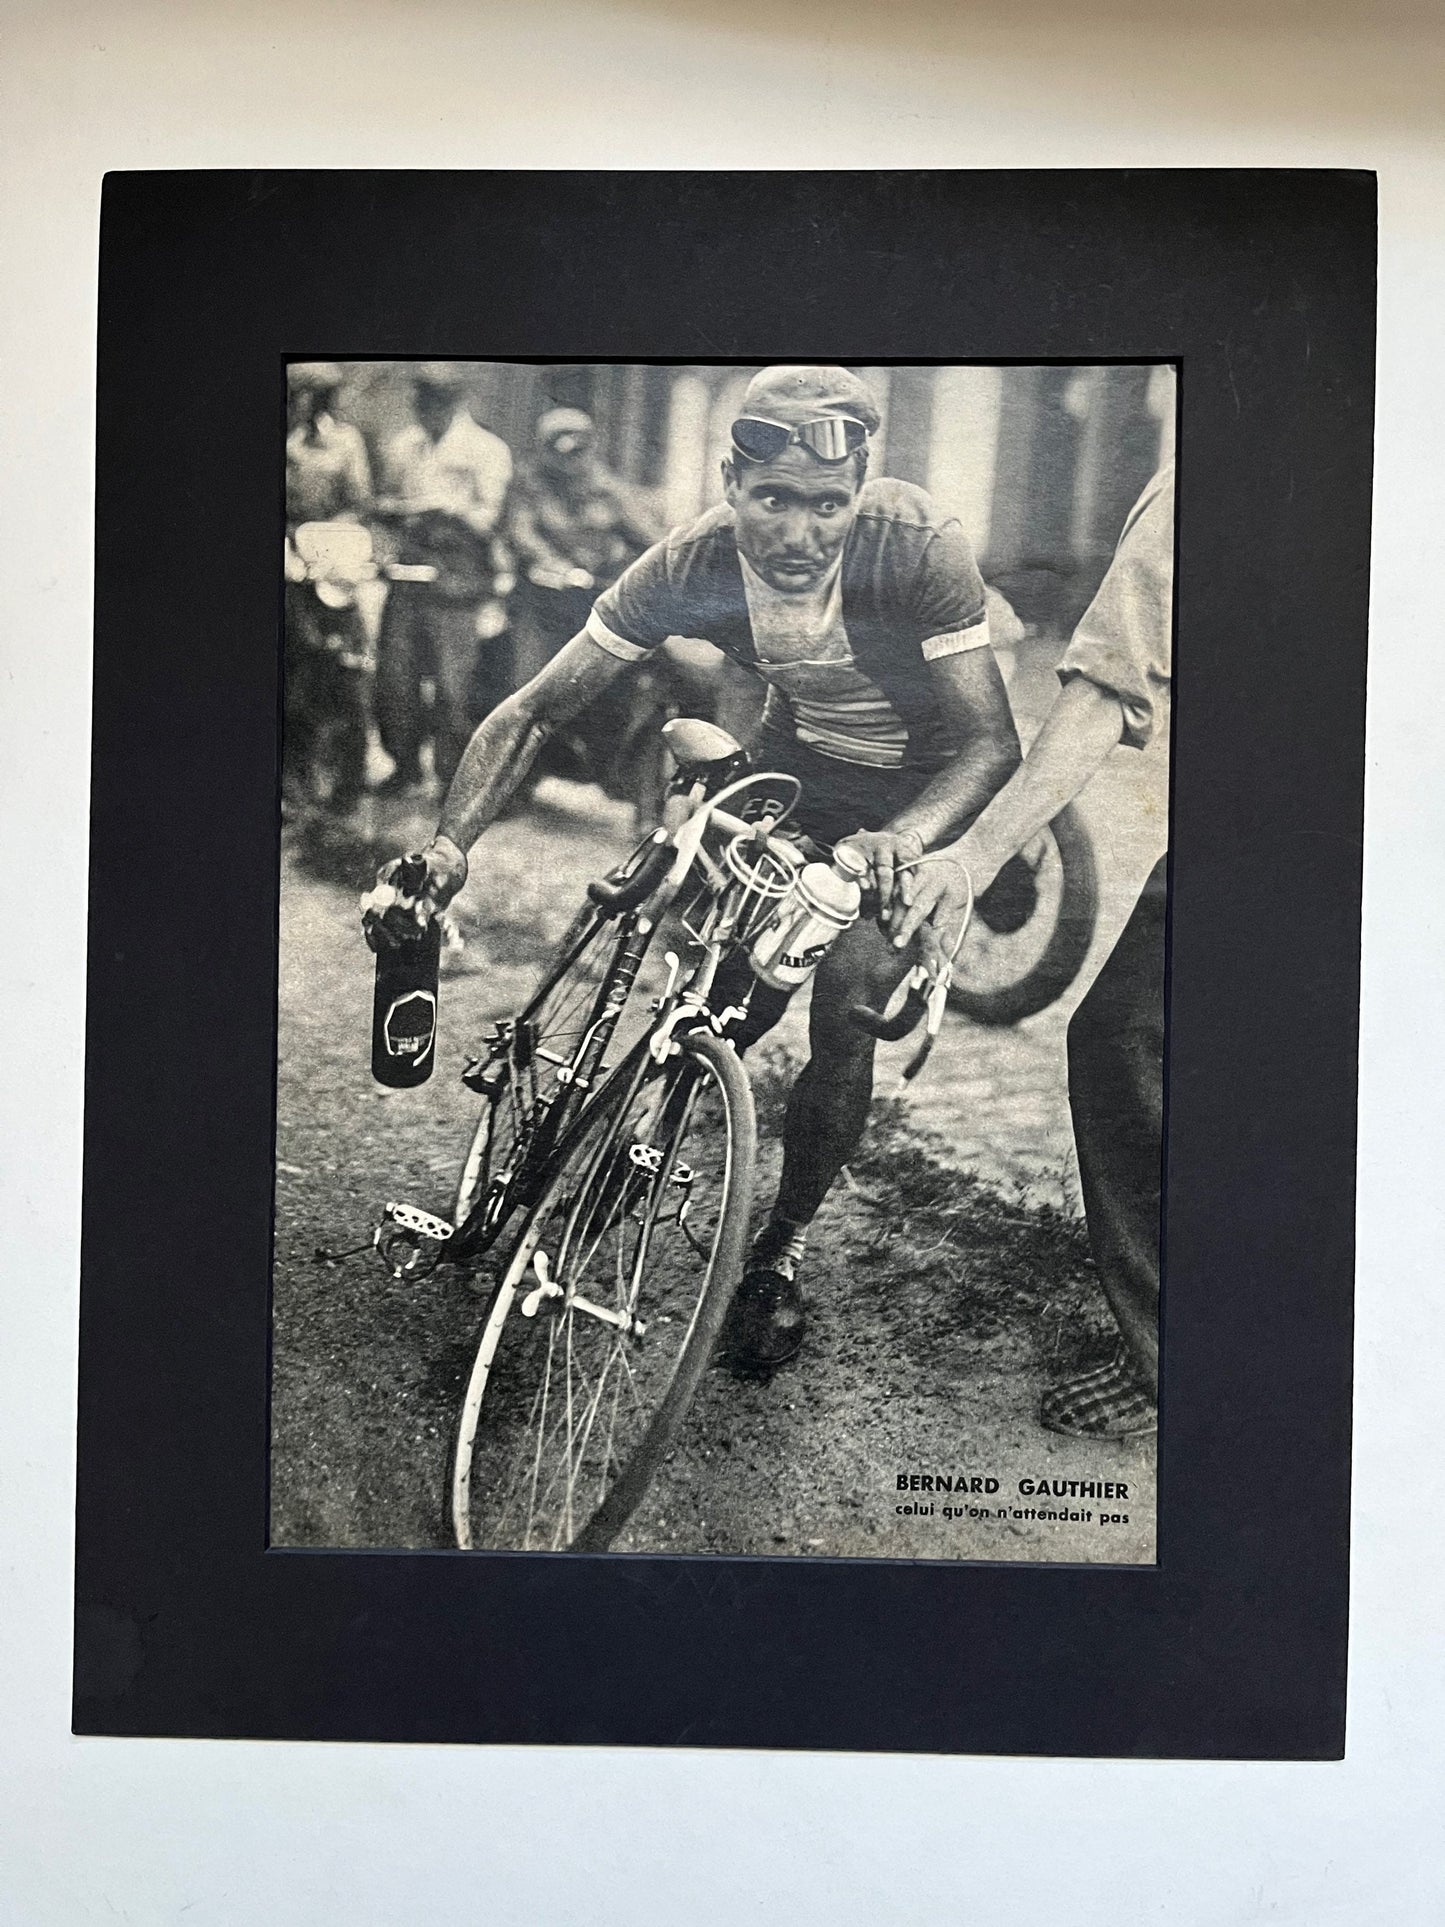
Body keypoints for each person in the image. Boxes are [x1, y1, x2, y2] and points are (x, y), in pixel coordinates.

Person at [364, 365, 1021, 1371]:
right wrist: (453, 843)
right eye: (770, 501)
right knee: (719, 997)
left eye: (824, 506)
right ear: (727, 481)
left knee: (843, 995)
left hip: (918, 791)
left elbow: (989, 746)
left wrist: (904, 842)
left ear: (858, 493)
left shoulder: (913, 545)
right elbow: (534, 707)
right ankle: (591, 1208)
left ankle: (780, 1250)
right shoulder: (690, 561)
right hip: (799, 768)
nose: (798, 533)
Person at [892, 461, 1175, 1437]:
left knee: (1123, 1038)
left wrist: (969, 857)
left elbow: (1102, 691)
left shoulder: (1197, 485)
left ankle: (1162, 1356)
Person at [372, 363, 514, 793]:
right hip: (408, 576)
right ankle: (405, 767)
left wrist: (447, 508)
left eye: (436, 401)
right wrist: (398, 517)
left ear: (455, 402)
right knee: (395, 680)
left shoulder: (487, 450)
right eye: (421, 400)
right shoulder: (405, 446)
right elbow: (383, 506)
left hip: (458, 585)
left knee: (455, 690)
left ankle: (453, 781)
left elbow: (492, 521)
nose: (426, 410)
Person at [506, 406, 664, 685]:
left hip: (594, 599)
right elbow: (522, 534)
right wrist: (558, 566)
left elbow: (649, 538)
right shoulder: (529, 484)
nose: (570, 463)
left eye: (578, 451)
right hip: (543, 602)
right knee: (533, 681)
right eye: (559, 452)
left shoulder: (608, 489)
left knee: (609, 681)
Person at [283, 362, 373, 808]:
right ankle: (288, 781)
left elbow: (357, 506)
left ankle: (345, 784)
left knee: (336, 667)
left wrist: (320, 549)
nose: (307, 407)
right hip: (284, 571)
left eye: (317, 397)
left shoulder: (344, 443)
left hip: (325, 571)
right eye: (300, 396)